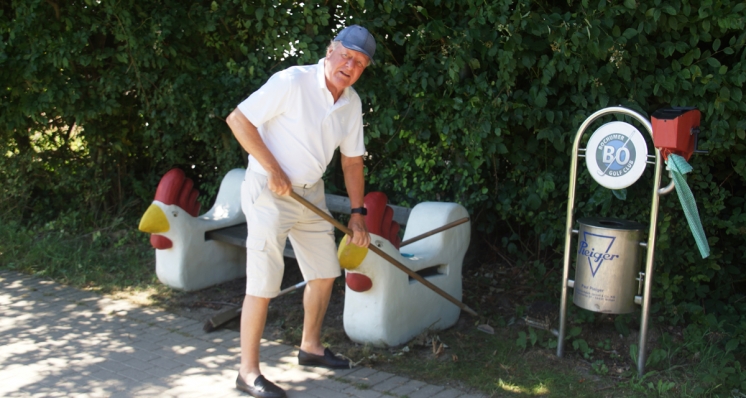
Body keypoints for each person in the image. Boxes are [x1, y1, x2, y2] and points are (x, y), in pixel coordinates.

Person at [225, 25, 376, 398]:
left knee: (324, 273)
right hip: (269, 190)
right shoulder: (292, 82)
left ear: (363, 69)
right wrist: (273, 168)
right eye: (345, 54)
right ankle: (247, 373)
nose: (349, 64)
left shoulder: (351, 103)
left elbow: (352, 161)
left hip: (311, 195)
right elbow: (238, 120)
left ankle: (310, 348)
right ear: (330, 50)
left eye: (359, 62)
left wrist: (358, 212)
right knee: (263, 283)